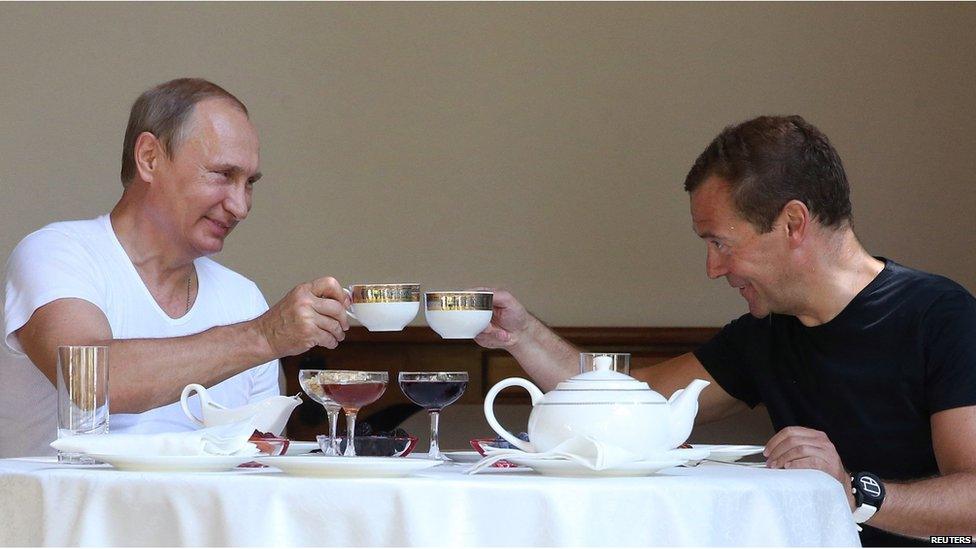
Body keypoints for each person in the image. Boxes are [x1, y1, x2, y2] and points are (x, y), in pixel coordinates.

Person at [475, 115, 976, 546]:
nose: (713, 268)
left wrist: (853, 492)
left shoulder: (942, 317)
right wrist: (522, 335)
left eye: (720, 242)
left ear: (793, 222)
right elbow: (624, 411)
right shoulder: (765, 334)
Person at [1, 78, 351, 458]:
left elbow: (256, 465)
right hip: (66, 517)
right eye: (222, 175)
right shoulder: (57, 252)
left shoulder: (244, 299)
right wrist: (264, 337)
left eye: (249, 183)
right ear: (150, 158)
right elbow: (92, 383)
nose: (240, 206)